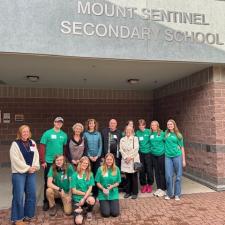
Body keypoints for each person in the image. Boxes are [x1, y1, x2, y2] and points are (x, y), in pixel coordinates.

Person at [10, 125, 40, 225]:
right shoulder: (15, 144)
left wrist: (34, 166)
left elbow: (36, 155)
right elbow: (15, 159)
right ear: (20, 133)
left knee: (31, 194)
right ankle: (17, 219)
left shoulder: (32, 143)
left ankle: (28, 215)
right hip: (19, 173)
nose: (26, 133)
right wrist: (27, 168)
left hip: (31, 173)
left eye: (27, 131)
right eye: (23, 131)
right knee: (18, 196)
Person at [39, 116, 68, 211]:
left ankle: (59, 198)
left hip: (60, 162)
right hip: (49, 162)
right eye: (57, 122)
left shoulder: (64, 135)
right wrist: (42, 161)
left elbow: (64, 149)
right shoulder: (47, 133)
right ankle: (46, 201)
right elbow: (42, 147)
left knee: (60, 180)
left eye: (61, 122)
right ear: (54, 123)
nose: (59, 123)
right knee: (48, 182)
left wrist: (64, 161)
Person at [164, 119, 186, 201]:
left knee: (178, 176)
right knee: (169, 176)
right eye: (168, 124)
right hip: (168, 157)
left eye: (171, 124)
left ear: (174, 125)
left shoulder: (179, 135)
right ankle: (169, 194)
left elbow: (182, 147)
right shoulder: (165, 134)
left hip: (177, 156)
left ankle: (177, 194)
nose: (169, 125)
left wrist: (183, 160)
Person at [70, 156, 95, 224]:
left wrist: (84, 198)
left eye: (87, 163)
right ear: (80, 163)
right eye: (83, 163)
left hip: (86, 198)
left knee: (92, 200)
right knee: (78, 222)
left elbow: (90, 188)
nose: (85, 165)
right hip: (77, 199)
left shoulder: (90, 174)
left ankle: (88, 211)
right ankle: (83, 210)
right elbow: (74, 191)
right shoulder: (74, 175)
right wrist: (86, 194)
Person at [96, 153, 121, 217]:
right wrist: (103, 189)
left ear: (113, 160)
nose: (109, 161)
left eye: (111, 159)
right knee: (106, 214)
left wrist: (112, 186)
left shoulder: (117, 169)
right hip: (103, 193)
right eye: (107, 159)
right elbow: (97, 182)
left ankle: (110, 204)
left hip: (113, 193)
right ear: (105, 160)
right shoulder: (100, 169)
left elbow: (118, 182)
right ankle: (103, 204)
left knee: (115, 213)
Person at [83, 118, 102, 197]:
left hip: (97, 158)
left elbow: (100, 145)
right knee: (89, 174)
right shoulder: (85, 134)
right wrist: (89, 156)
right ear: (88, 125)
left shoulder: (98, 134)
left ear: (95, 124)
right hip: (88, 158)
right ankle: (89, 192)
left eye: (92, 123)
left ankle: (96, 192)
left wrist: (97, 156)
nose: (91, 125)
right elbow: (85, 146)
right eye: (90, 123)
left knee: (96, 174)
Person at [120, 125, 139, 199]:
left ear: (132, 131)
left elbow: (136, 149)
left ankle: (134, 193)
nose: (128, 131)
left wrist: (130, 157)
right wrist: (125, 157)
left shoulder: (135, 138)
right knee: (127, 177)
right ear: (125, 131)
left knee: (134, 177)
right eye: (127, 130)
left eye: (130, 130)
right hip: (125, 160)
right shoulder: (122, 139)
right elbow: (121, 149)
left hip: (133, 159)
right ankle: (128, 192)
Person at [135, 119, 153, 193]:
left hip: (148, 153)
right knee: (142, 170)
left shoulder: (149, 131)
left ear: (145, 125)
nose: (141, 126)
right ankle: (144, 185)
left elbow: (154, 140)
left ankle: (149, 185)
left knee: (149, 170)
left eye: (142, 125)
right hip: (141, 153)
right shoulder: (137, 132)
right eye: (139, 125)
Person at [150, 121, 166, 197]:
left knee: (161, 172)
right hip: (153, 155)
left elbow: (168, 141)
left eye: (155, 125)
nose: (153, 126)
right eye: (152, 125)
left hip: (161, 154)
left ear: (157, 125)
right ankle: (159, 188)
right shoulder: (151, 134)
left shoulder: (162, 133)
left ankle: (163, 189)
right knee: (156, 172)